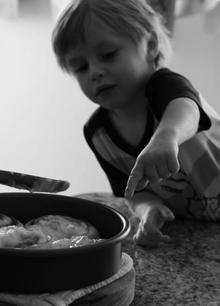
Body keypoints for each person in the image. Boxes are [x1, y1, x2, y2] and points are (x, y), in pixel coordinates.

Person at [52, 0, 220, 247]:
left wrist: (167, 136)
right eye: (81, 67)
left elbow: (187, 110)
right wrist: (149, 210)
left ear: (150, 45)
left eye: (108, 54)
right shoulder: (99, 134)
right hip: (201, 232)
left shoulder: (165, 87)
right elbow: (133, 193)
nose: (95, 71)